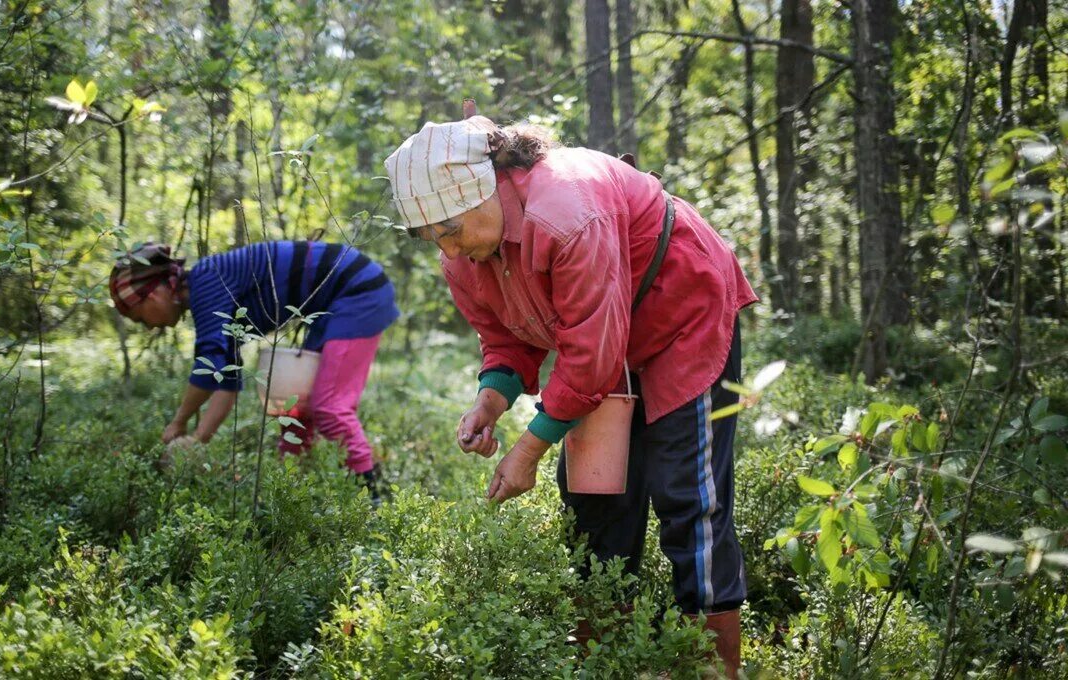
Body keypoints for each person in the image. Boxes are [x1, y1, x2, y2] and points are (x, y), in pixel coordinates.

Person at [383, 117, 756, 677]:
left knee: (687, 495)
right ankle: (605, 658)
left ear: (484, 188)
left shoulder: (566, 210)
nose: (448, 248)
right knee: (594, 495)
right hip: (604, 334)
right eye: (432, 236)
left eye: (451, 229)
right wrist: (490, 401)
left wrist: (528, 450)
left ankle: (715, 666)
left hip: (683, 315)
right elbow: (505, 334)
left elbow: (589, 358)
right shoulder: (462, 251)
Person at [108, 240, 399, 496]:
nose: (147, 326)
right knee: (293, 409)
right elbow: (227, 380)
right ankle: (290, 490)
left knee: (329, 407)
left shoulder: (206, 282)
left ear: (154, 295)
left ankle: (370, 492)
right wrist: (197, 442)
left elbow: (209, 371)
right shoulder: (207, 292)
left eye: (140, 318)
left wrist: (179, 422)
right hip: (332, 303)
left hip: (357, 290)